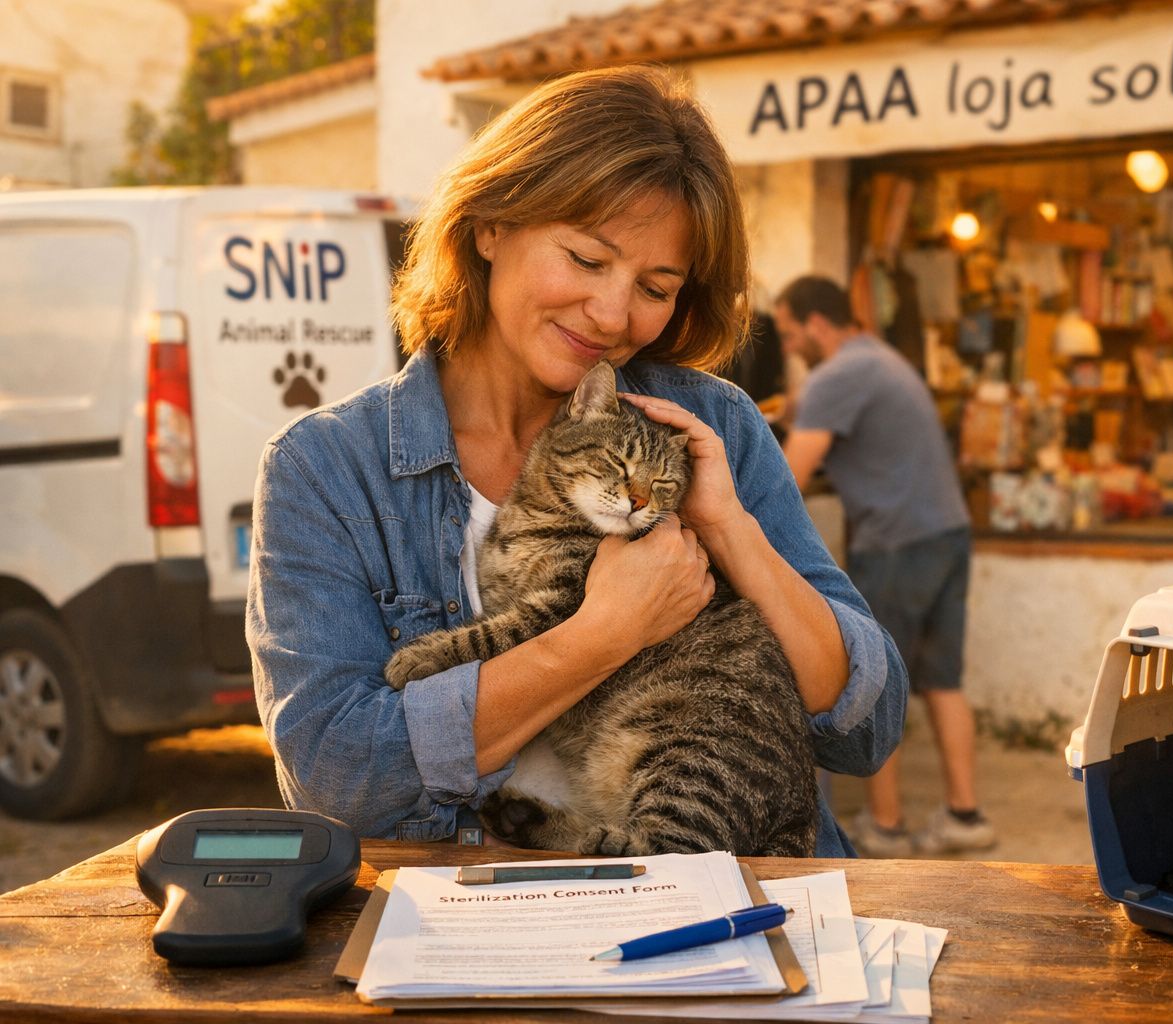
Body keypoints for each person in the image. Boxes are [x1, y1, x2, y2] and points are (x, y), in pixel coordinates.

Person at [245, 67, 906, 857]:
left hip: (729, 901)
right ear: (490, 224)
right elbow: (340, 777)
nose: (613, 315)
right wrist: (602, 635)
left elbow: (870, 730)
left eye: (656, 287)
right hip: (481, 929)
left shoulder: (710, 426)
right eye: (589, 261)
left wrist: (730, 530)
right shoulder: (326, 469)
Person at [775, 276, 995, 857]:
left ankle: (887, 827)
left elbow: (784, 483)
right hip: (944, 533)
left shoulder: (835, 377)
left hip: (896, 542)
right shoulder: (880, 359)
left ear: (817, 324)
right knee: (942, 679)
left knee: (879, 681)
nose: (790, 346)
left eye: (789, 332)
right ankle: (966, 816)